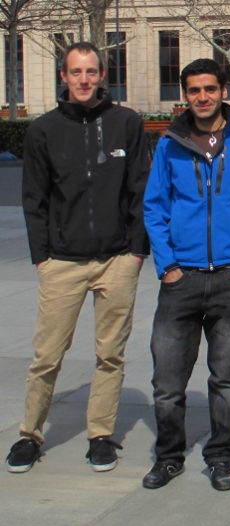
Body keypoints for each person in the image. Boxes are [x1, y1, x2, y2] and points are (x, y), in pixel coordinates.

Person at [7, 42, 149, 474]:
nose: (84, 80)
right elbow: (34, 198)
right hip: (63, 262)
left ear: (102, 75)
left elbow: (139, 189)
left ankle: (100, 435)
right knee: (47, 354)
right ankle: (30, 434)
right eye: (75, 72)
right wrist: (42, 257)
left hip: (117, 260)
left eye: (91, 72)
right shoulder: (43, 130)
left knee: (111, 354)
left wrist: (137, 250)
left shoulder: (126, 122)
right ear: (63, 77)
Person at [142, 58, 230, 491]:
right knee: (167, 382)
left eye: (209, 89)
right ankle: (168, 457)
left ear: (224, 91)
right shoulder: (170, 144)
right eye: (194, 90)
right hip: (181, 280)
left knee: (226, 379)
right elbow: (155, 207)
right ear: (185, 94)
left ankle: (221, 457)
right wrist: (167, 267)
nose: (202, 97)